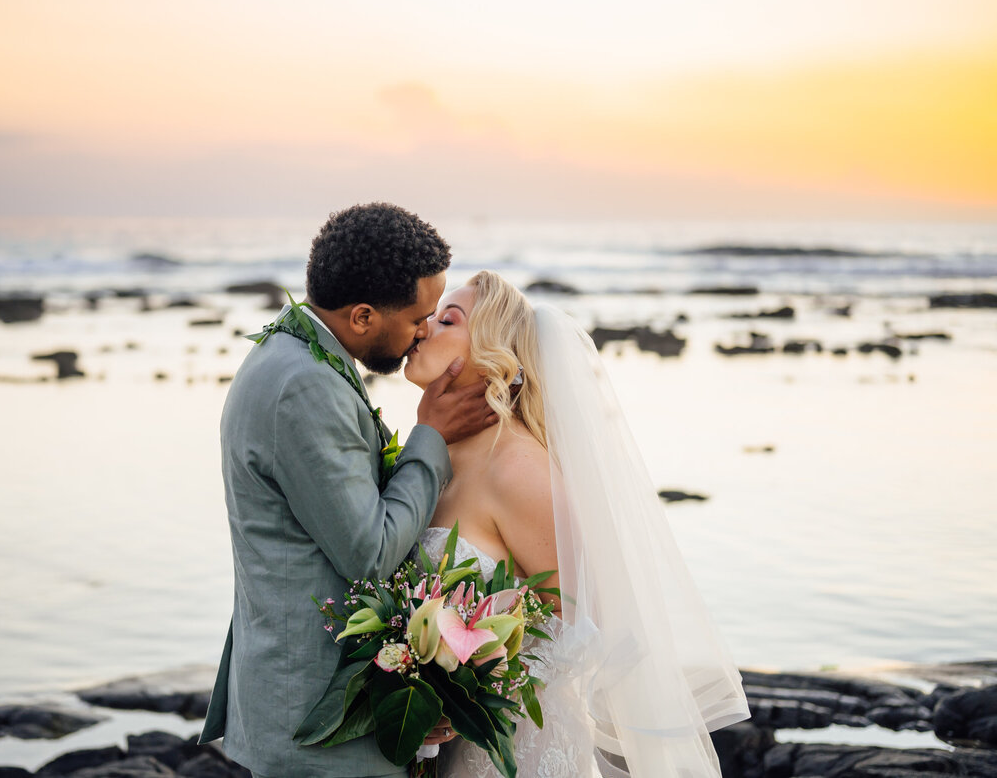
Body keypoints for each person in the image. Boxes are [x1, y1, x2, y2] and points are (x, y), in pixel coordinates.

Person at [403, 270, 751, 777]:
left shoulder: (517, 465)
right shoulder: (433, 458)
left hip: (517, 753)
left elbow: (582, 622)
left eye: (447, 319)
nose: (422, 328)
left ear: (494, 352)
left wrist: (465, 694)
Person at [199, 203, 496, 778]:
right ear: (362, 316)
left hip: (310, 706)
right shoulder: (306, 386)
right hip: (318, 727)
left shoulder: (296, 356)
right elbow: (369, 553)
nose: (422, 334)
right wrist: (429, 437)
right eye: (418, 318)